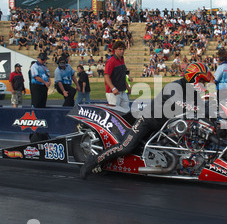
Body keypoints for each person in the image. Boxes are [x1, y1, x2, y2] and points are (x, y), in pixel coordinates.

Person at [79, 62, 215, 179]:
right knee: (125, 147)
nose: (203, 85)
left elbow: (203, 110)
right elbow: (183, 104)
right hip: (148, 120)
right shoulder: (174, 87)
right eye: (202, 81)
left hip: (164, 127)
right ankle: (94, 160)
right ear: (193, 78)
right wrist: (202, 108)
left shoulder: (193, 92)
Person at [104, 40, 130, 113]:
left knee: (126, 111)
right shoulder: (111, 61)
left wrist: (127, 86)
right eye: (120, 49)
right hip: (113, 92)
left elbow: (122, 75)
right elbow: (106, 76)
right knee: (115, 113)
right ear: (115, 50)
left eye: (123, 49)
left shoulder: (122, 59)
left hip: (122, 90)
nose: (122, 51)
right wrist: (113, 88)